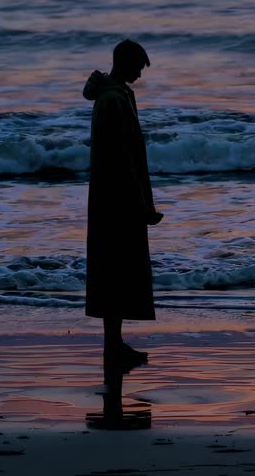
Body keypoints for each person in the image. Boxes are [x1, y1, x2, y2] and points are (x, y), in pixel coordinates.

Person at [83, 38, 163, 374]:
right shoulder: (114, 100)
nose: (140, 76)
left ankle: (113, 344)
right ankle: (112, 347)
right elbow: (123, 158)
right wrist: (140, 203)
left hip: (109, 197)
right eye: (138, 68)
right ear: (125, 63)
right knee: (116, 273)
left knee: (111, 273)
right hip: (117, 199)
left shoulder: (111, 96)